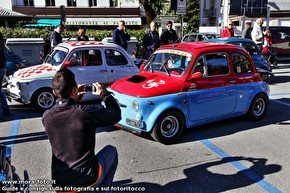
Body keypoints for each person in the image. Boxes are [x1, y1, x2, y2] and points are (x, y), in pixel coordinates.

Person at [42, 68, 121, 191]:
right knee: (111, 151)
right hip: (87, 179)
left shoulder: (46, 117)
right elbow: (115, 114)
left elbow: (66, 117)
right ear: (74, 90)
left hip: (60, 183)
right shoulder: (85, 113)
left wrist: (74, 99)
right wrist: (104, 93)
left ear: (53, 92)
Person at [0, 32, 11, 121]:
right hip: (2, 66)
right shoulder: (0, 37)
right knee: (0, 91)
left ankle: (1, 114)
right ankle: (6, 111)